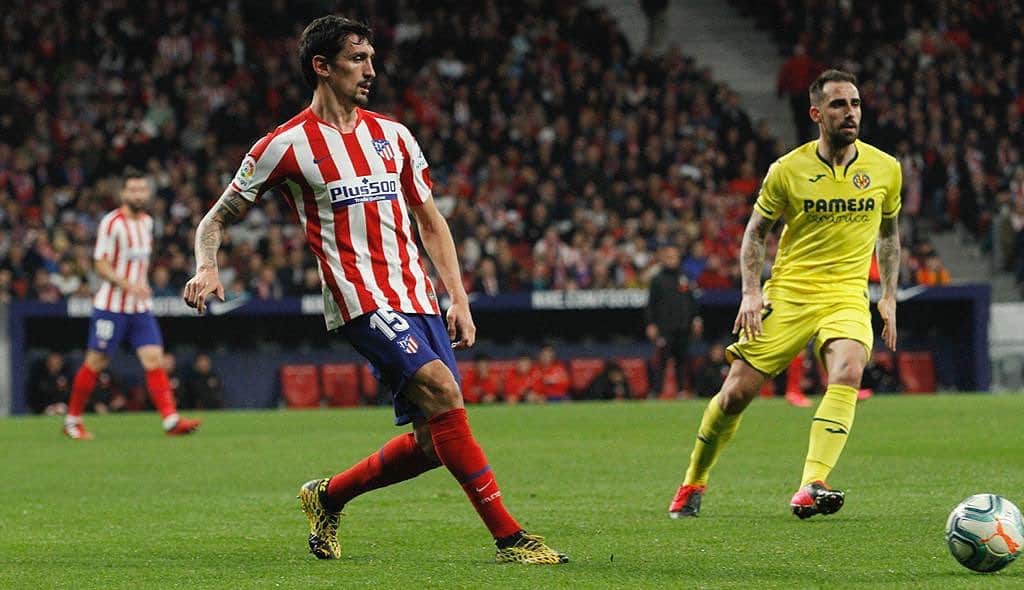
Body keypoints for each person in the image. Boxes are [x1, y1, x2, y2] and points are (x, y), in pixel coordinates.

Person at [182, 16, 565, 565]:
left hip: (418, 297)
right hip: (361, 302)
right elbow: (214, 220)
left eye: (371, 58)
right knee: (446, 395)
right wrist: (207, 267)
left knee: (436, 443)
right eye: (357, 59)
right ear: (322, 66)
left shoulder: (394, 136)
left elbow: (430, 221)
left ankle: (327, 495)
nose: (371, 70)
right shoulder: (284, 145)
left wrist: (457, 296)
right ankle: (511, 539)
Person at [668, 70, 902, 520]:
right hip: (790, 294)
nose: (850, 112)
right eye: (838, 105)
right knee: (735, 394)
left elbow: (890, 234)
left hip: (847, 296)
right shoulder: (787, 170)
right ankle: (694, 480)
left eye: (855, 103)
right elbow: (755, 235)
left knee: (850, 369)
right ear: (816, 113)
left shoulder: (885, 169)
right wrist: (751, 293)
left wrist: (888, 294)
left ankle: (812, 483)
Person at [62, 170, 202, 439]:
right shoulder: (111, 223)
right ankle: (72, 421)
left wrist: (142, 285)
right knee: (96, 361)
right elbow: (100, 264)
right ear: (123, 193)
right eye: (133, 190)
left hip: (139, 308)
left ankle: (170, 421)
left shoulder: (147, 223)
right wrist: (129, 285)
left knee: (154, 359)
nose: (138, 195)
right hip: (111, 307)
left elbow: (139, 263)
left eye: (142, 190)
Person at [646, 244, 702, 397]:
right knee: (662, 361)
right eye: (668, 257)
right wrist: (651, 324)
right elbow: (651, 304)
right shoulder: (657, 280)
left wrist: (696, 319)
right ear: (663, 259)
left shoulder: (685, 277)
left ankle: (682, 391)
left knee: (682, 361)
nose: (672, 260)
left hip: (683, 326)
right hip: (664, 328)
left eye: (674, 256)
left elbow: (692, 301)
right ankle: (656, 391)